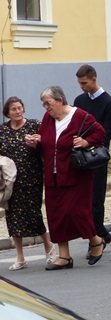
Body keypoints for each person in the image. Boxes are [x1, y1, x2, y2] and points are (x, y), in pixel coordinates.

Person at [25, 86, 106, 270]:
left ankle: (96, 240)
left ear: (60, 100)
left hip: (75, 175)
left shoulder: (81, 117)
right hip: (52, 176)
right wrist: (36, 142)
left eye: (48, 103)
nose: (46, 107)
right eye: (44, 104)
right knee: (56, 215)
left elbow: (100, 133)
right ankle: (64, 256)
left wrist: (86, 142)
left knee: (76, 211)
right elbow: (45, 144)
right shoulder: (48, 119)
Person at [0, 97, 55, 271]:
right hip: (10, 180)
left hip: (31, 177)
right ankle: (20, 257)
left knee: (33, 213)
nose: (18, 111)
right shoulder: (2, 130)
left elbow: (47, 146)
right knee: (12, 217)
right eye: (14, 109)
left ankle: (48, 246)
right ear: (7, 113)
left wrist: (37, 143)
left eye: (20, 108)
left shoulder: (34, 125)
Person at [73, 64, 111, 247]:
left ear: (94, 79)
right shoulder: (79, 100)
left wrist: (90, 144)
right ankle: (98, 233)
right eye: (79, 83)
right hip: (80, 155)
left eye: (84, 83)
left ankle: (98, 233)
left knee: (96, 198)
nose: (81, 86)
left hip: (97, 156)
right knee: (83, 197)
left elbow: (107, 133)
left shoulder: (108, 102)